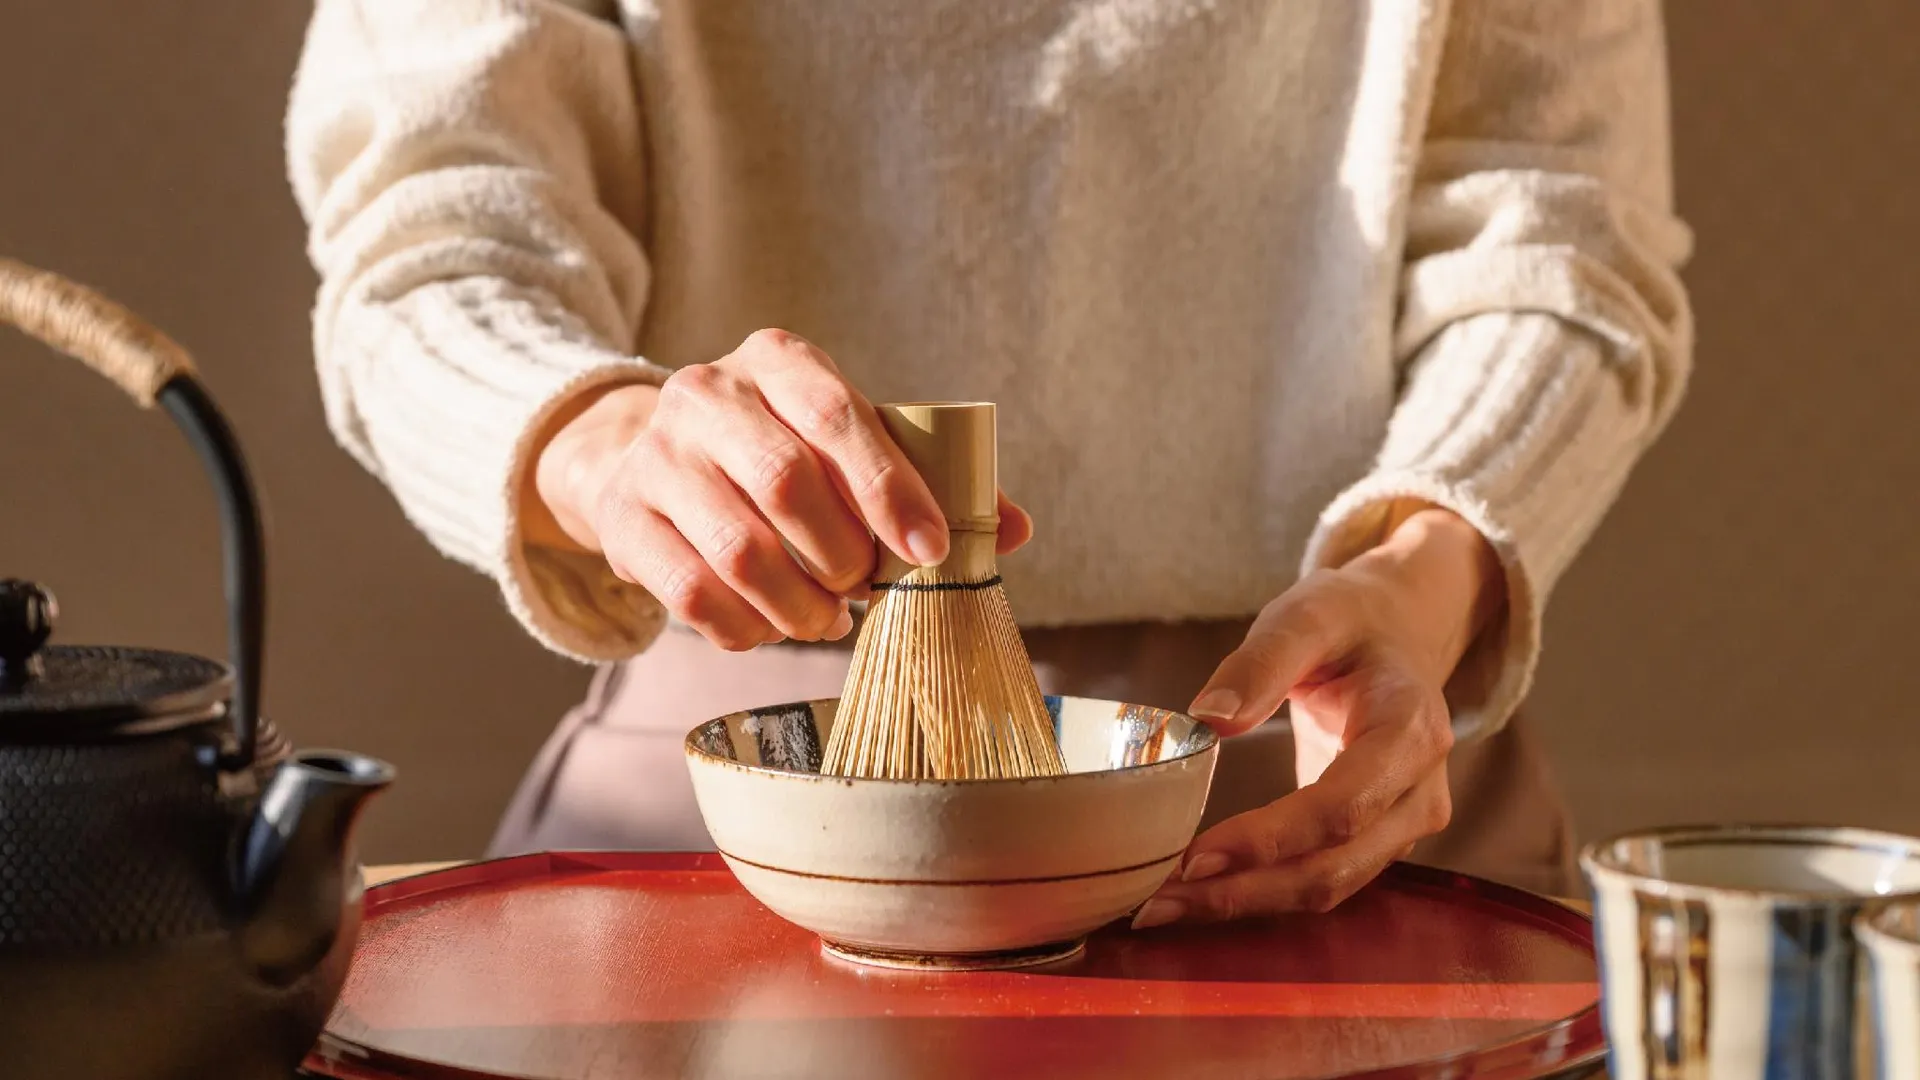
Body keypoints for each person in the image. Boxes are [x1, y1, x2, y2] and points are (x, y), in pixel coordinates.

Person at [284, 0, 1692, 920]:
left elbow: (1557, 237)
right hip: (761, 770)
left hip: (1327, 771)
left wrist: (1421, 570)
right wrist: (604, 445)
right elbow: (434, 216)